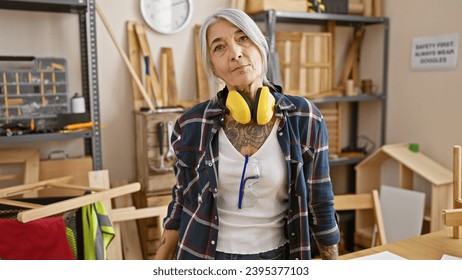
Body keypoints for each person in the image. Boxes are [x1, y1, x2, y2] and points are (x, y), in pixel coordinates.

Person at [155, 8, 340, 260]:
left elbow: (320, 201)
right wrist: (159, 263)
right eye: (219, 47)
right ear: (212, 64)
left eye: (243, 38)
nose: (235, 53)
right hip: (202, 257)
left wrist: (333, 264)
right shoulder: (191, 124)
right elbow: (180, 202)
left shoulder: (304, 117)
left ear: (261, 45)